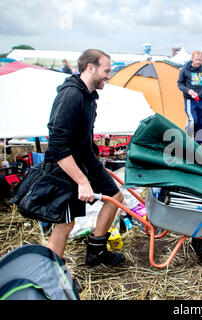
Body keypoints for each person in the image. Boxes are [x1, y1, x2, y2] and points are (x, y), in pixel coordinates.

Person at [45, 49, 125, 266]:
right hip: (65, 167)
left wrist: (96, 163)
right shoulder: (70, 95)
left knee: (116, 197)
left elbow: (82, 136)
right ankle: (53, 277)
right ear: (91, 68)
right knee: (65, 224)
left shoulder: (88, 96)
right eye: (106, 70)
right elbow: (57, 145)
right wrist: (82, 181)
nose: (109, 75)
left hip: (86, 160)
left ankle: (96, 251)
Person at [177, 50, 202, 144]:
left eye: (200, 59)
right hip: (190, 100)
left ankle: (198, 143)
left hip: (201, 99)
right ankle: (188, 139)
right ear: (192, 59)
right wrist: (188, 91)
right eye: (197, 59)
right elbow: (179, 84)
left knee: (201, 122)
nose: (199, 61)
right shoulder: (185, 69)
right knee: (193, 120)